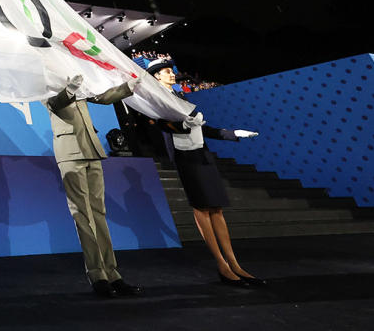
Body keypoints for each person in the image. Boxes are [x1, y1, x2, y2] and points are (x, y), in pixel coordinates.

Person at [145, 57, 264, 287]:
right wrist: (183, 125)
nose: (172, 74)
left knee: (216, 208)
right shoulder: (157, 97)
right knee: (201, 208)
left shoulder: (181, 96)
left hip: (201, 152)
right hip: (185, 156)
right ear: (157, 76)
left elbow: (201, 126)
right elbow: (161, 123)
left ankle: (234, 264)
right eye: (167, 71)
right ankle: (222, 265)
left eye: (172, 71)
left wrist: (233, 133)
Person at [46, 73, 144, 298]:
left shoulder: (79, 82)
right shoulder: (47, 82)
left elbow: (102, 97)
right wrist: (69, 90)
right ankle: (97, 275)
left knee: (99, 214)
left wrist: (128, 87)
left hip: (92, 149)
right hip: (70, 152)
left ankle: (113, 273)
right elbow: (55, 103)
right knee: (82, 215)